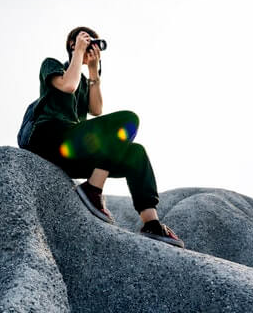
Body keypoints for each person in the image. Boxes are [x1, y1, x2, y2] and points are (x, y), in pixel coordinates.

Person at [26, 26, 184, 248]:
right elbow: (68, 85)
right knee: (129, 119)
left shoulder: (83, 79)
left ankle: (151, 222)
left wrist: (93, 71)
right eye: (86, 40)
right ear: (72, 43)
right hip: (49, 138)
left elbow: (96, 109)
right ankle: (92, 189)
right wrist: (79, 51)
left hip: (72, 151)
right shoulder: (52, 65)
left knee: (136, 152)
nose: (91, 45)